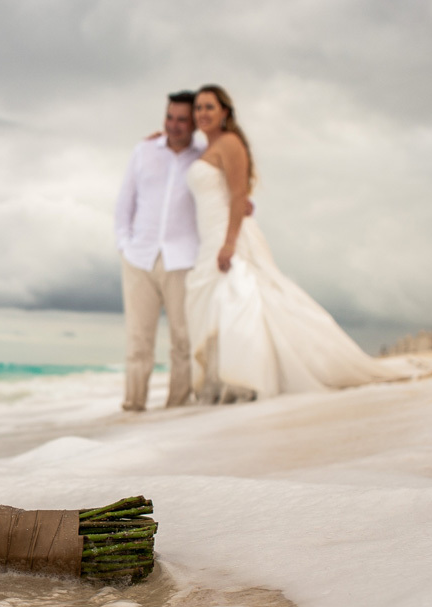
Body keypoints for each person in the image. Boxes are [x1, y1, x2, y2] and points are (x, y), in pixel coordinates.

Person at [183, 84, 412, 402]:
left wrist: (229, 243)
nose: (202, 113)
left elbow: (238, 196)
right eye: (198, 108)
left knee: (240, 300)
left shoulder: (230, 144)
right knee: (222, 305)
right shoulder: (206, 150)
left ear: (225, 112)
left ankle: (251, 378)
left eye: (209, 107)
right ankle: (228, 382)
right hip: (210, 236)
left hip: (229, 236)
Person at [114, 91, 201, 411]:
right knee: (138, 341)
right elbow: (125, 203)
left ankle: (176, 408)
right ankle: (132, 406)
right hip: (139, 258)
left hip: (184, 259)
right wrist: (124, 244)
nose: (174, 125)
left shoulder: (204, 155)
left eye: (182, 119)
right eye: (169, 117)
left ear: (193, 122)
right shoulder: (144, 151)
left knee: (183, 340)